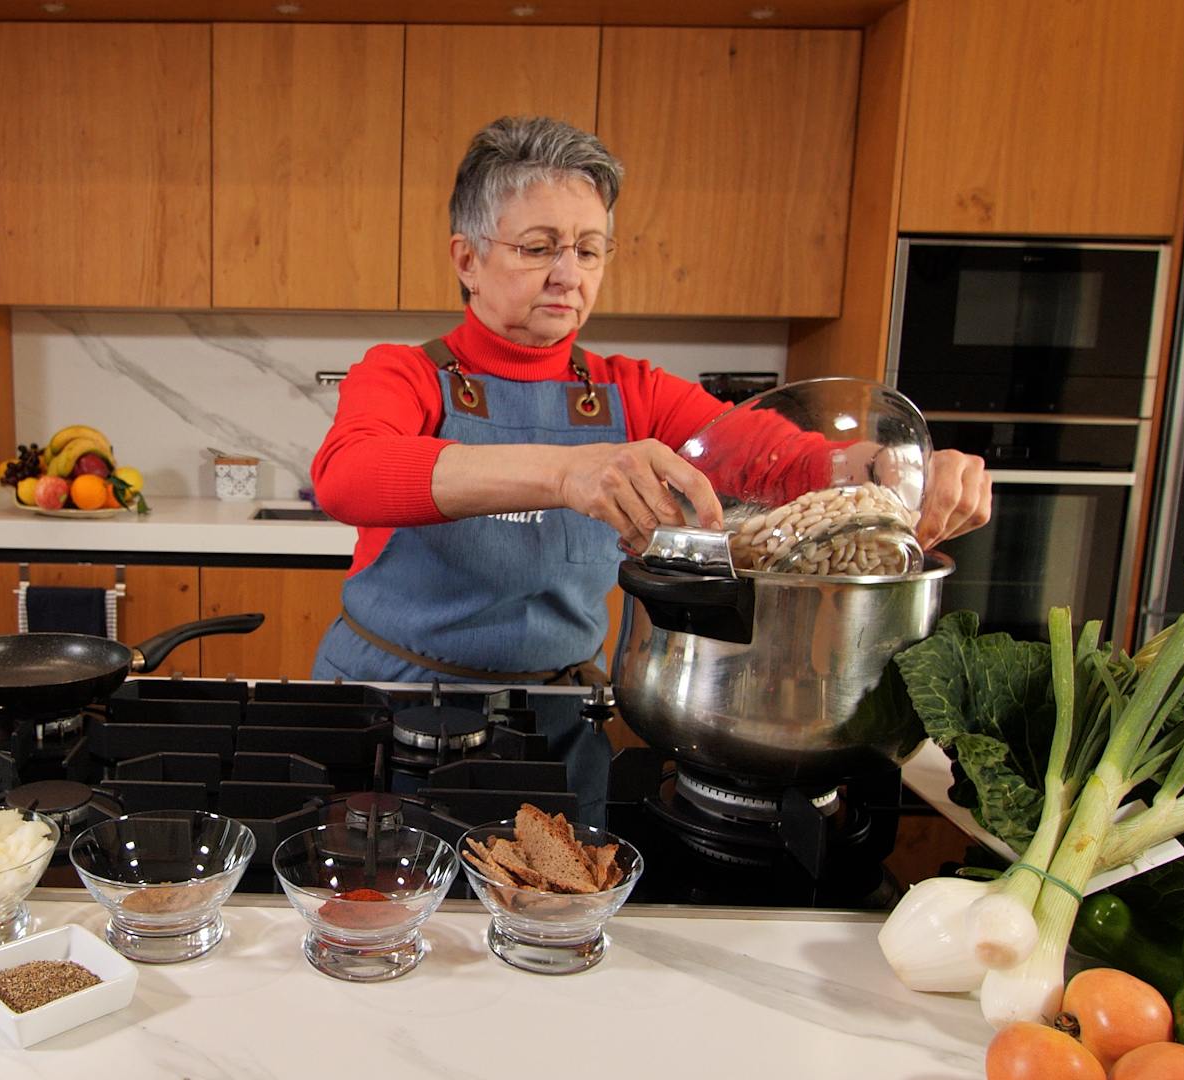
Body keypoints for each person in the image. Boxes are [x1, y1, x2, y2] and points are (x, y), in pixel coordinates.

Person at [308, 117, 992, 813]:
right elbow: (349, 472)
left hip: (555, 714)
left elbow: (786, 462)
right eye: (538, 247)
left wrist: (892, 467)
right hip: (390, 707)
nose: (569, 275)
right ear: (467, 260)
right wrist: (566, 475)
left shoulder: (631, 391)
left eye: (589, 250)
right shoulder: (405, 374)